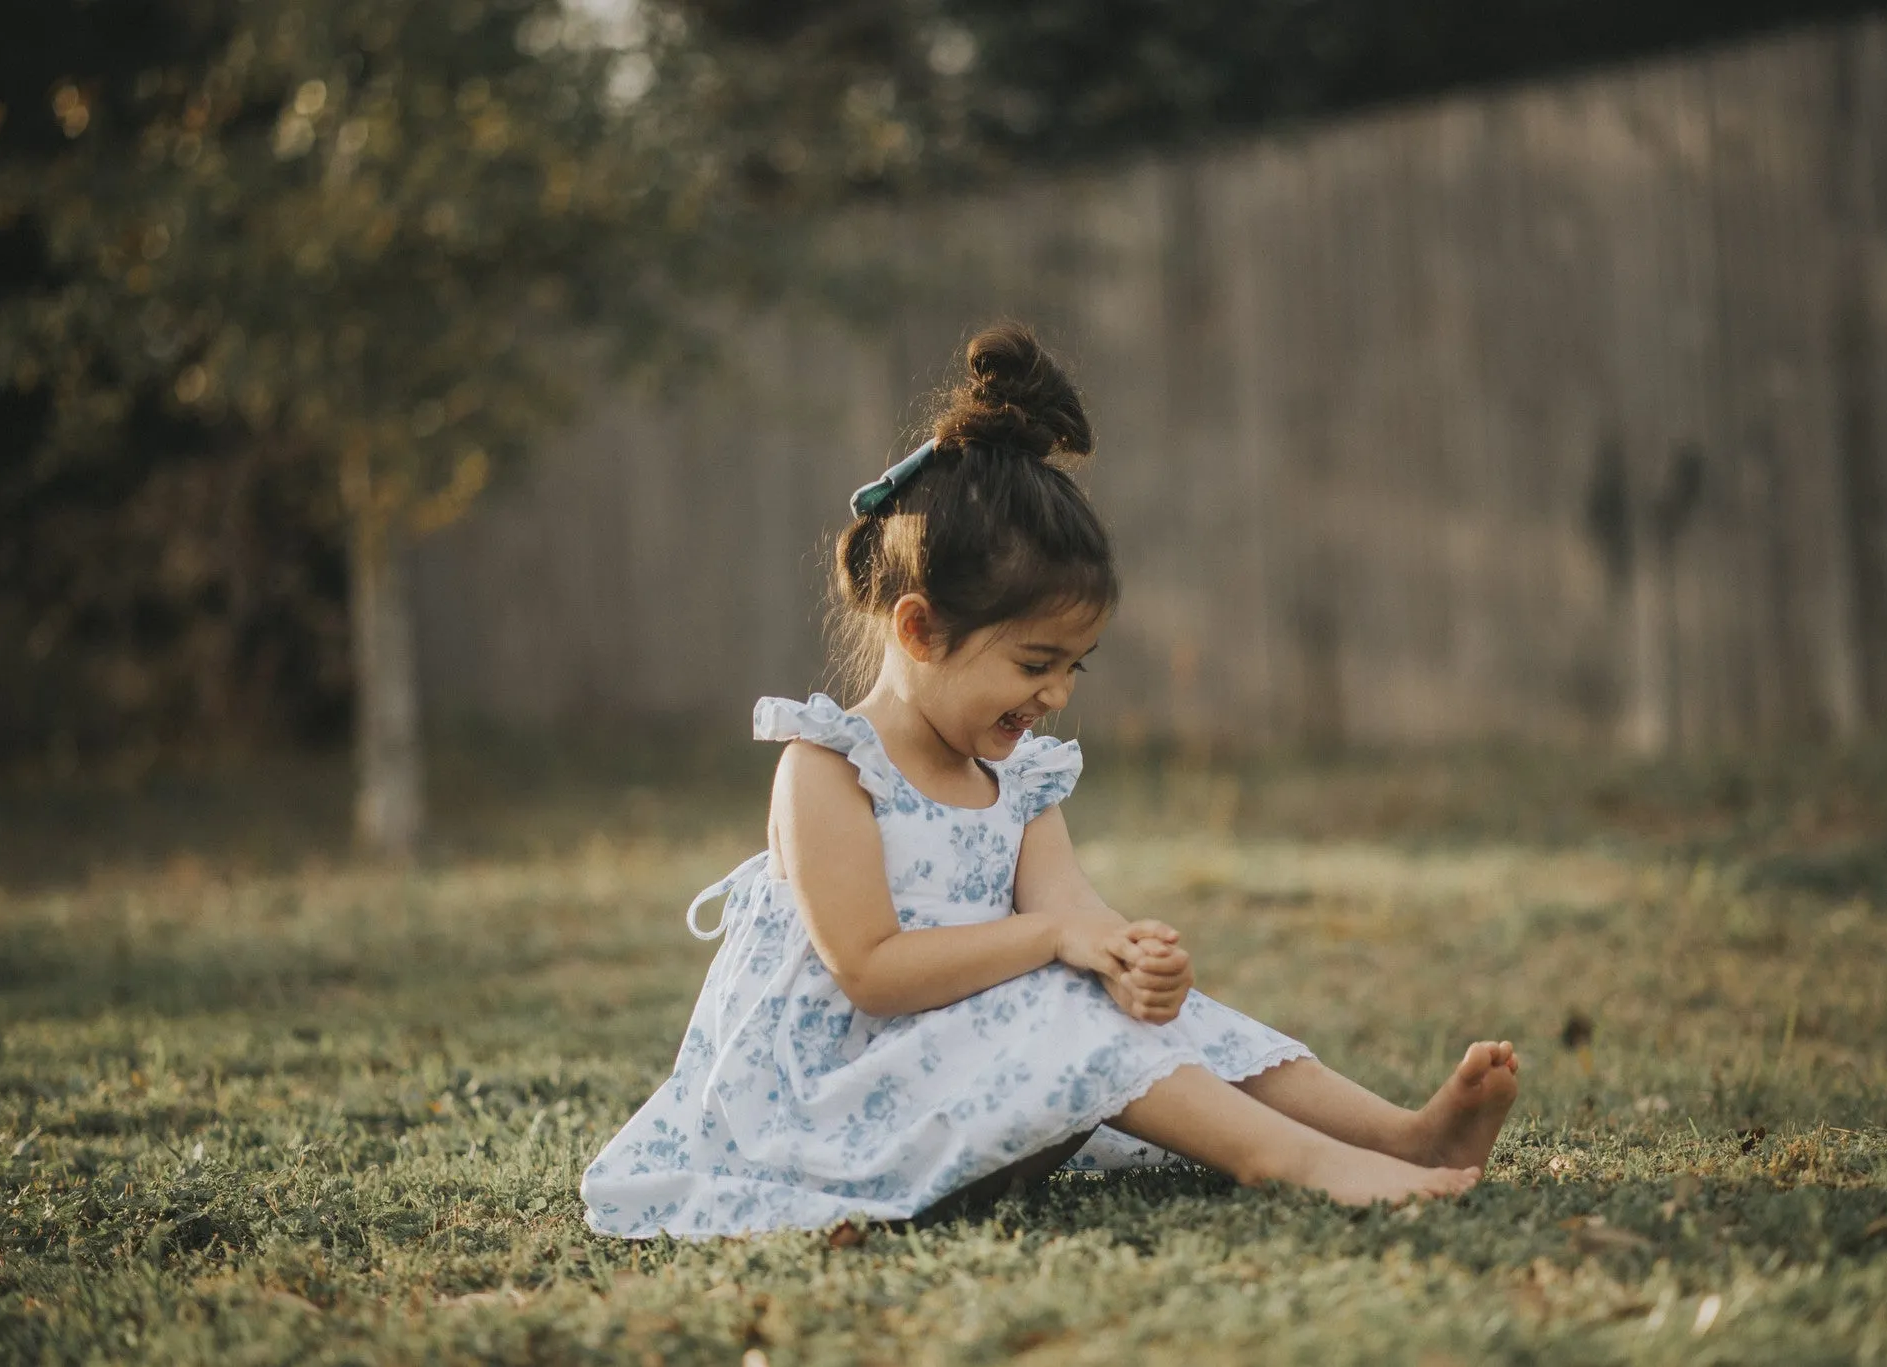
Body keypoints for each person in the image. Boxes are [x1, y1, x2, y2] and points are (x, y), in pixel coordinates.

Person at [580, 324, 1519, 1239]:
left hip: (972, 1073)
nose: (1057, 693)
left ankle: (1403, 1133)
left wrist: (1128, 956)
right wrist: (1057, 941)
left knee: (1111, 999)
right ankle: (1299, 1161)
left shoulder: (1016, 777)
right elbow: (869, 969)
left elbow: (1071, 907)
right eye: (1035, 662)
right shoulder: (827, 769)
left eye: (1077, 666)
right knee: (1056, 995)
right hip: (839, 1111)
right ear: (919, 629)